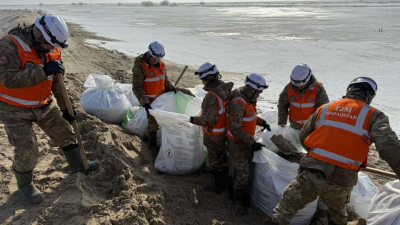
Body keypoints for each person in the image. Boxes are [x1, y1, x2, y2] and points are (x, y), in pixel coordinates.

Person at [273, 77, 400, 225]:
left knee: (284, 211)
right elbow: (390, 147)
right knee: (337, 214)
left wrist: (317, 153)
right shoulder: (374, 115)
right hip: (342, 177)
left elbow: (304, 135)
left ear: (349, 89)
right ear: (370, 95)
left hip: (313, 170)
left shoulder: (326, 107)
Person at [0, 14, 99, 204]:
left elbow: (58, 83)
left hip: (44, 104)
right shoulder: (8, 45)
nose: (54, 49)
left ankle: (78, 165)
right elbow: (8, 79)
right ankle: (25, 185)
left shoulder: (52, 50)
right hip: (14, 109)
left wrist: (66, 109)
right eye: (50, 45)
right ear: (40, 36)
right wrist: (44, 70)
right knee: (28, 149)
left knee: (66, 132)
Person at [131, 41, 193, 155]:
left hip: (162, 97)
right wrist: (145, 104)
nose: (156, 60)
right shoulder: (140, 67)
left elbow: (165, 80)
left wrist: (171, 88)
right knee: (153, 122)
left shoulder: (161, 64)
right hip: (150, 100)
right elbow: (137, 88)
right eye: (154, 58)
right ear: (149, 53)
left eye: (158, 58)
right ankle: (152, 146)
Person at [226, 73, 271, 215]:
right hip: (236, 143)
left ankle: (239, 190)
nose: (259, 95)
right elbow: (236, 129)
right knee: (243, 173)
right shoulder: (238, 104)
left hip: (245, 141)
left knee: (245, 170)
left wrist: (262, 122)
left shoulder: (248, 99)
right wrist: (252, 143)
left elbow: (250, 116)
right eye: (258, 92)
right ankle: (236, 199)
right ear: (251, 89)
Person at [189, 62, 233, 194]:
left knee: (215, 162)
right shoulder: (225, 90)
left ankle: (219, 187)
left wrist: (193, 119)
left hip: (214, 135)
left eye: (204, 79)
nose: (202, 82)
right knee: (221, 157)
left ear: (211, 78)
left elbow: (209, 119)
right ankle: (224, 177)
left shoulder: (211, 97)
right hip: (225, 131)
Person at [278, 64, 329, 130]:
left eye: (300, 84)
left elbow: (323, 110)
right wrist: (282, 121)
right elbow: (282, 105)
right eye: (295, 83)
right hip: (294, 127)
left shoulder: (318, 89)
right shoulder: (289, 88)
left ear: (307, 79)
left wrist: (320, 127)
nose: (298, 86)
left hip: (311, 127)